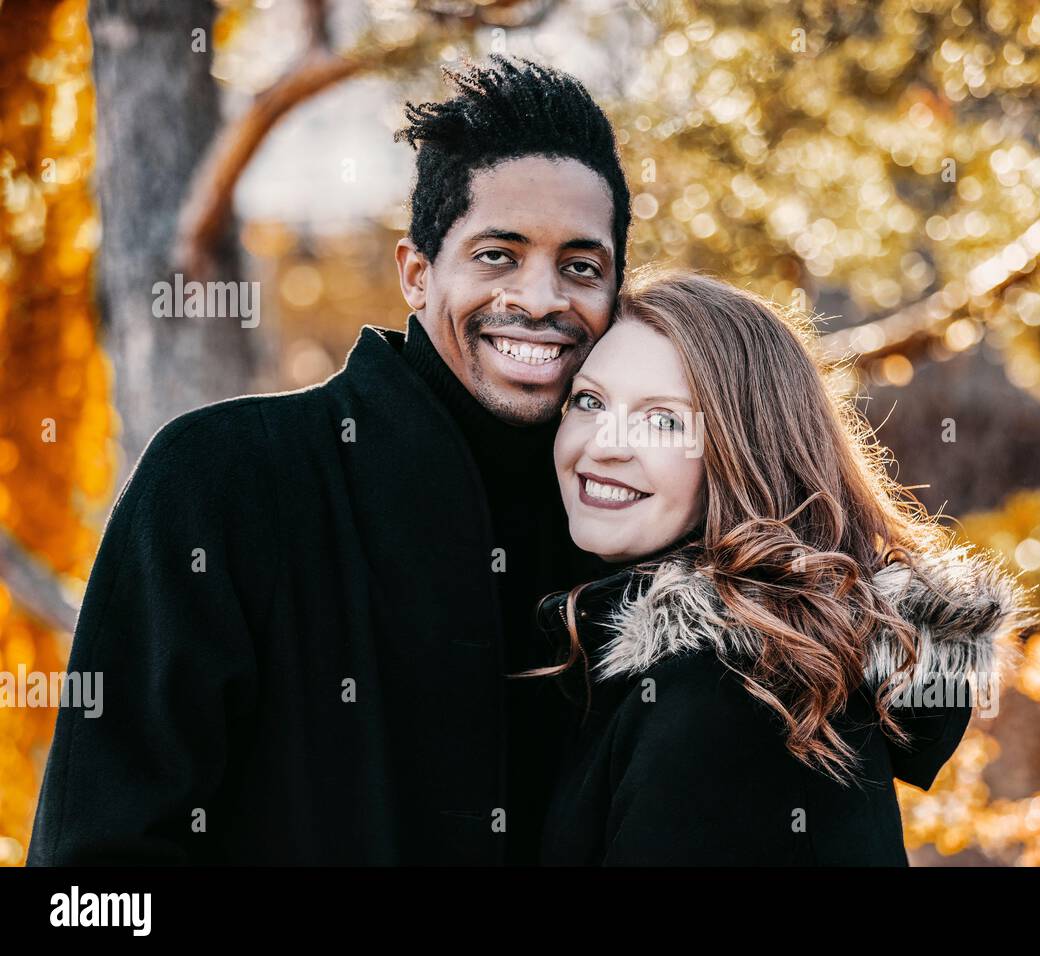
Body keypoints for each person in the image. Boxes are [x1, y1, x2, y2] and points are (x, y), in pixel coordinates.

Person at [27, 54, 630, 865]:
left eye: (581, 266)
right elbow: (92, 881)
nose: (542, 298)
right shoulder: (223, 479)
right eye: (497, 254)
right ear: (417, 273)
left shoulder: (630, 525)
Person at [531, 269, 1040, 865]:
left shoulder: (731, 696)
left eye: (664, 420)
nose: (605, 443)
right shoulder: (712, 658)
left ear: (743, 456)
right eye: (590, 401)